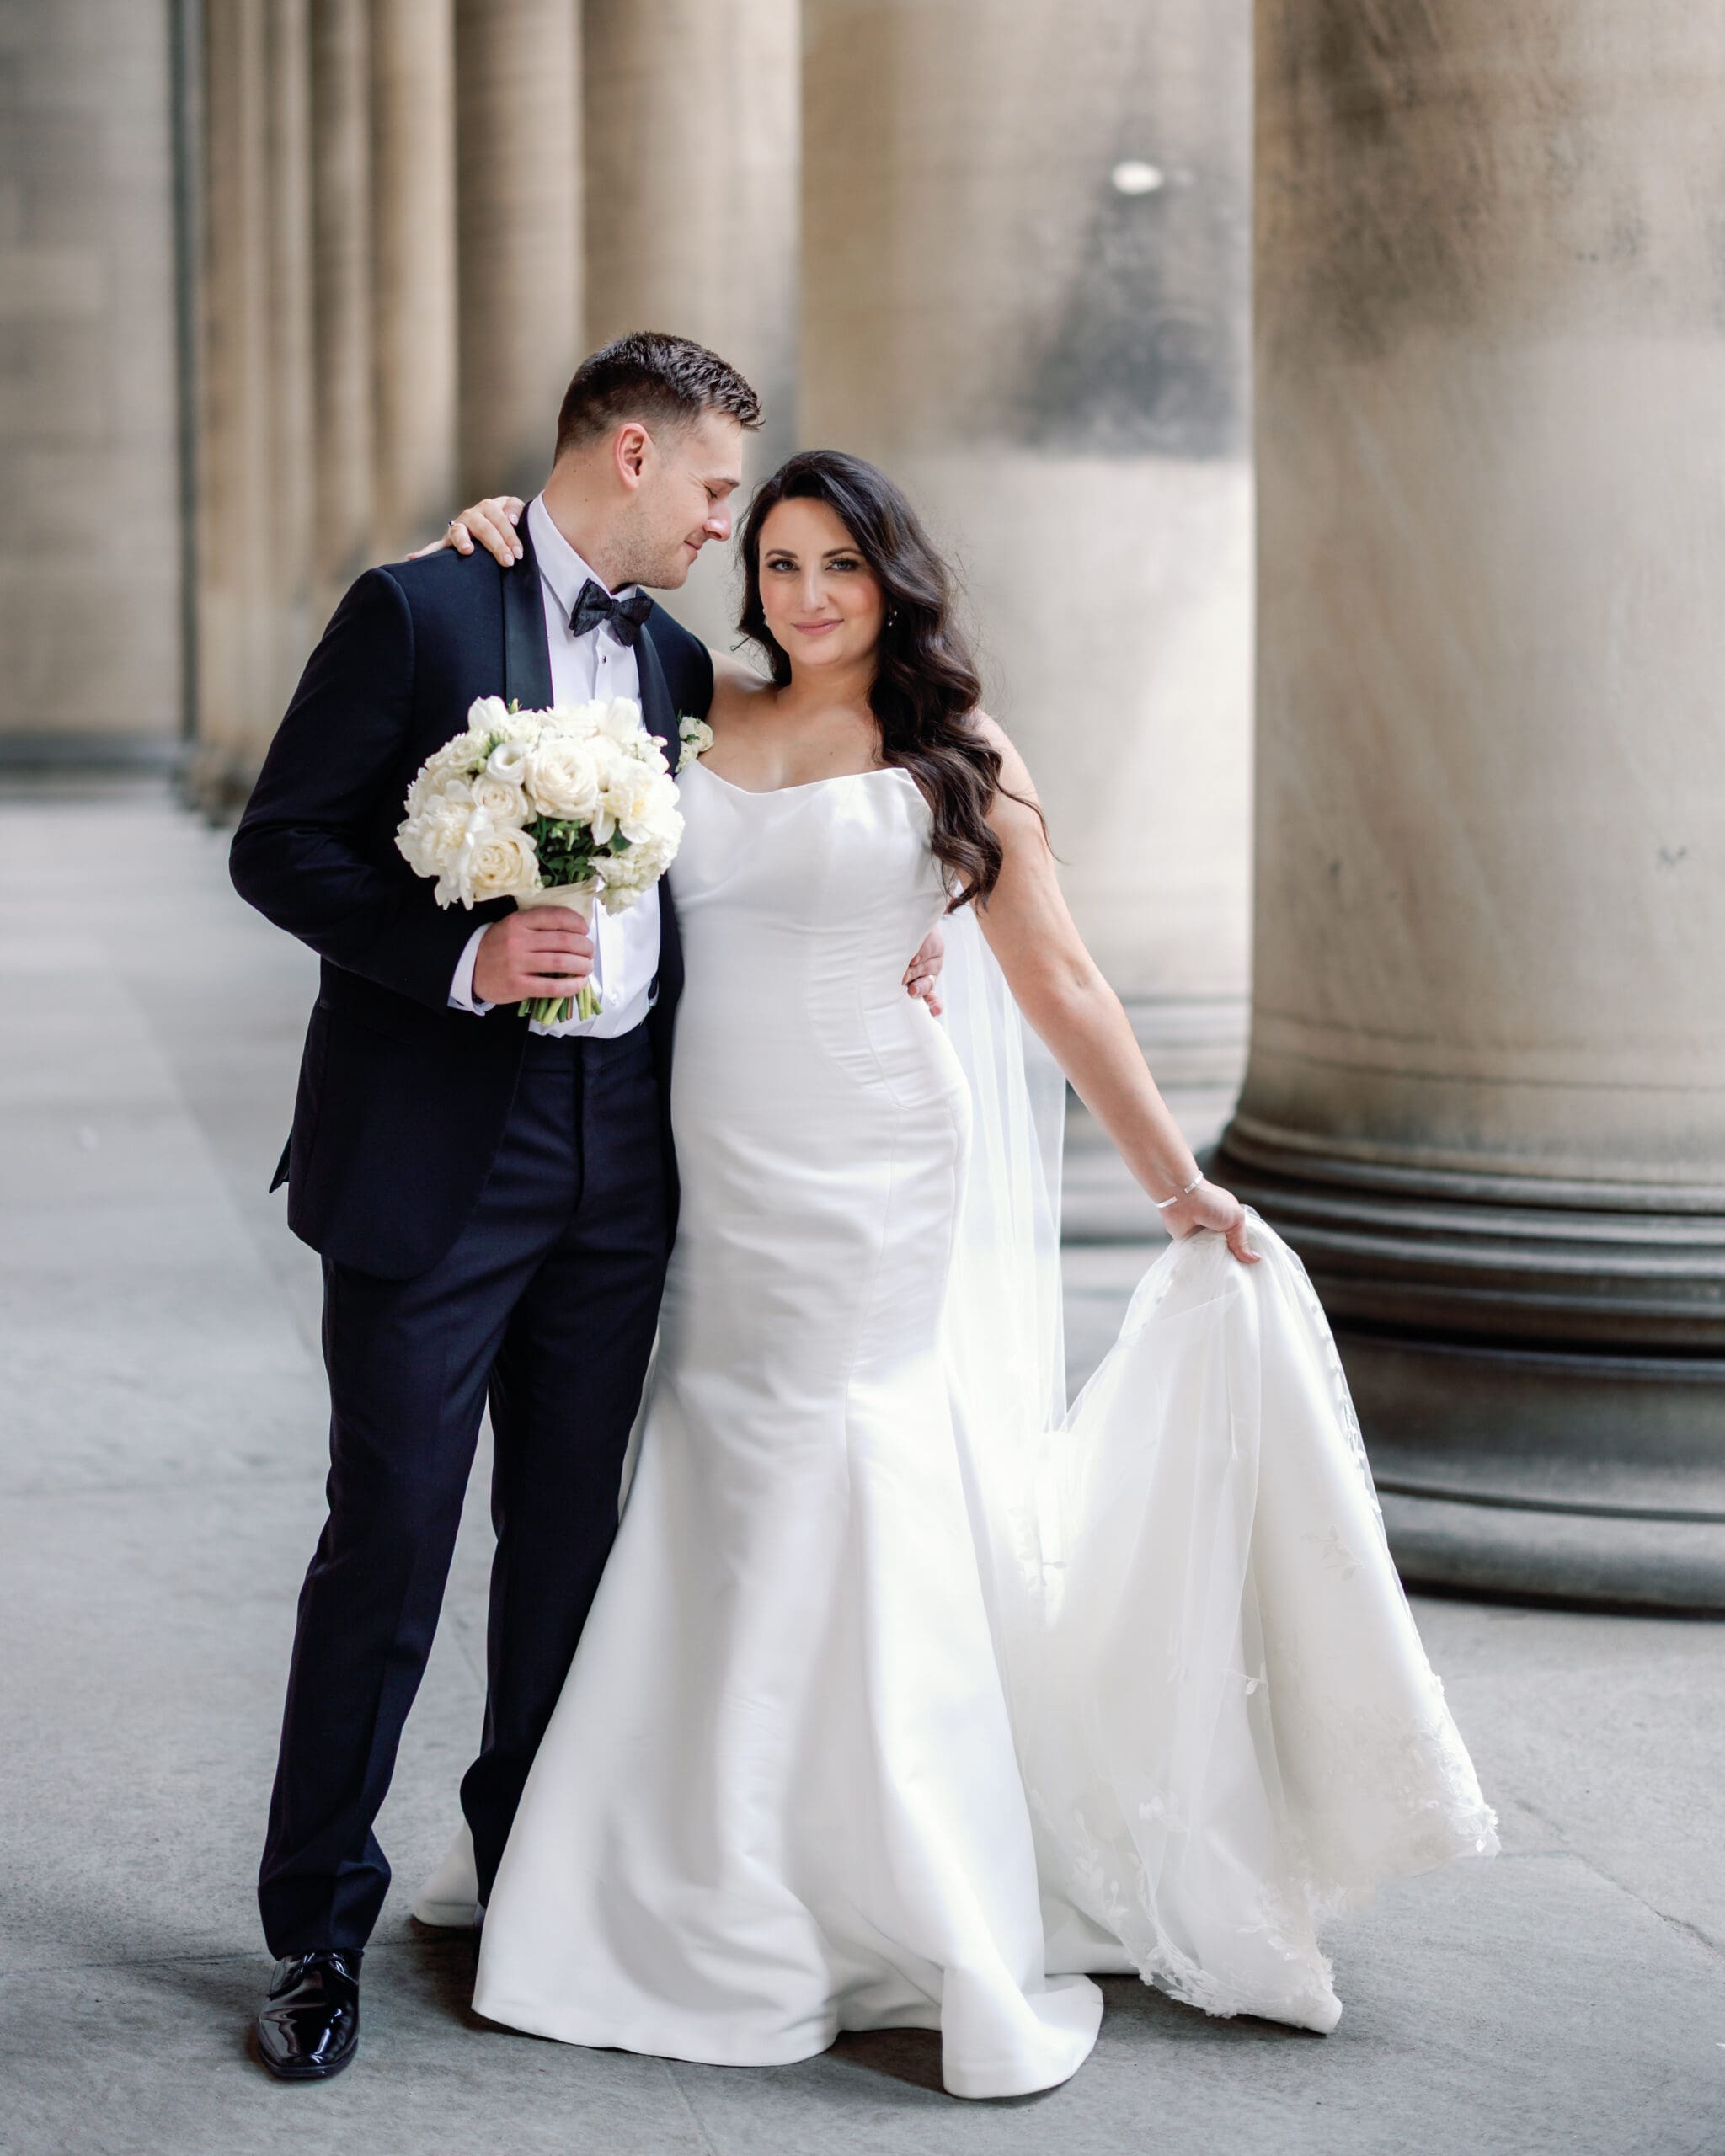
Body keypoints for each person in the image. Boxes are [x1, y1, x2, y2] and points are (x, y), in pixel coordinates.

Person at [403, 450, 1498, 2100]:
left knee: (840, 1452)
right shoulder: (691, 705)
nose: (806, 593)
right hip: (706, 1157)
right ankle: (695, 1843)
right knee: (712, 1451)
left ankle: (879, 1858)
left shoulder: (954, 754)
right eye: (775, 562)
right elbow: (535, 678)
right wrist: (485, 534)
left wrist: (1173, 1175)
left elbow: (1059, 978)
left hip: (874, 1151)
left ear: (890, 573)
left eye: (836, 561)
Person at [229, 334, 945, 2082]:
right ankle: (316, 1924)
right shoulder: (415, 611)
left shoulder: (683, 660)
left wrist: (918, 924)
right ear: (632, 454)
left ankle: (530, 1887)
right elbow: (282, 842)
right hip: (434, 1146)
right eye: (714, 489)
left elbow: (790, 828)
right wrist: (458, 951)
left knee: (568, 1546)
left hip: (626, 1151)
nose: (724, 523)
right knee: (388, 1543)